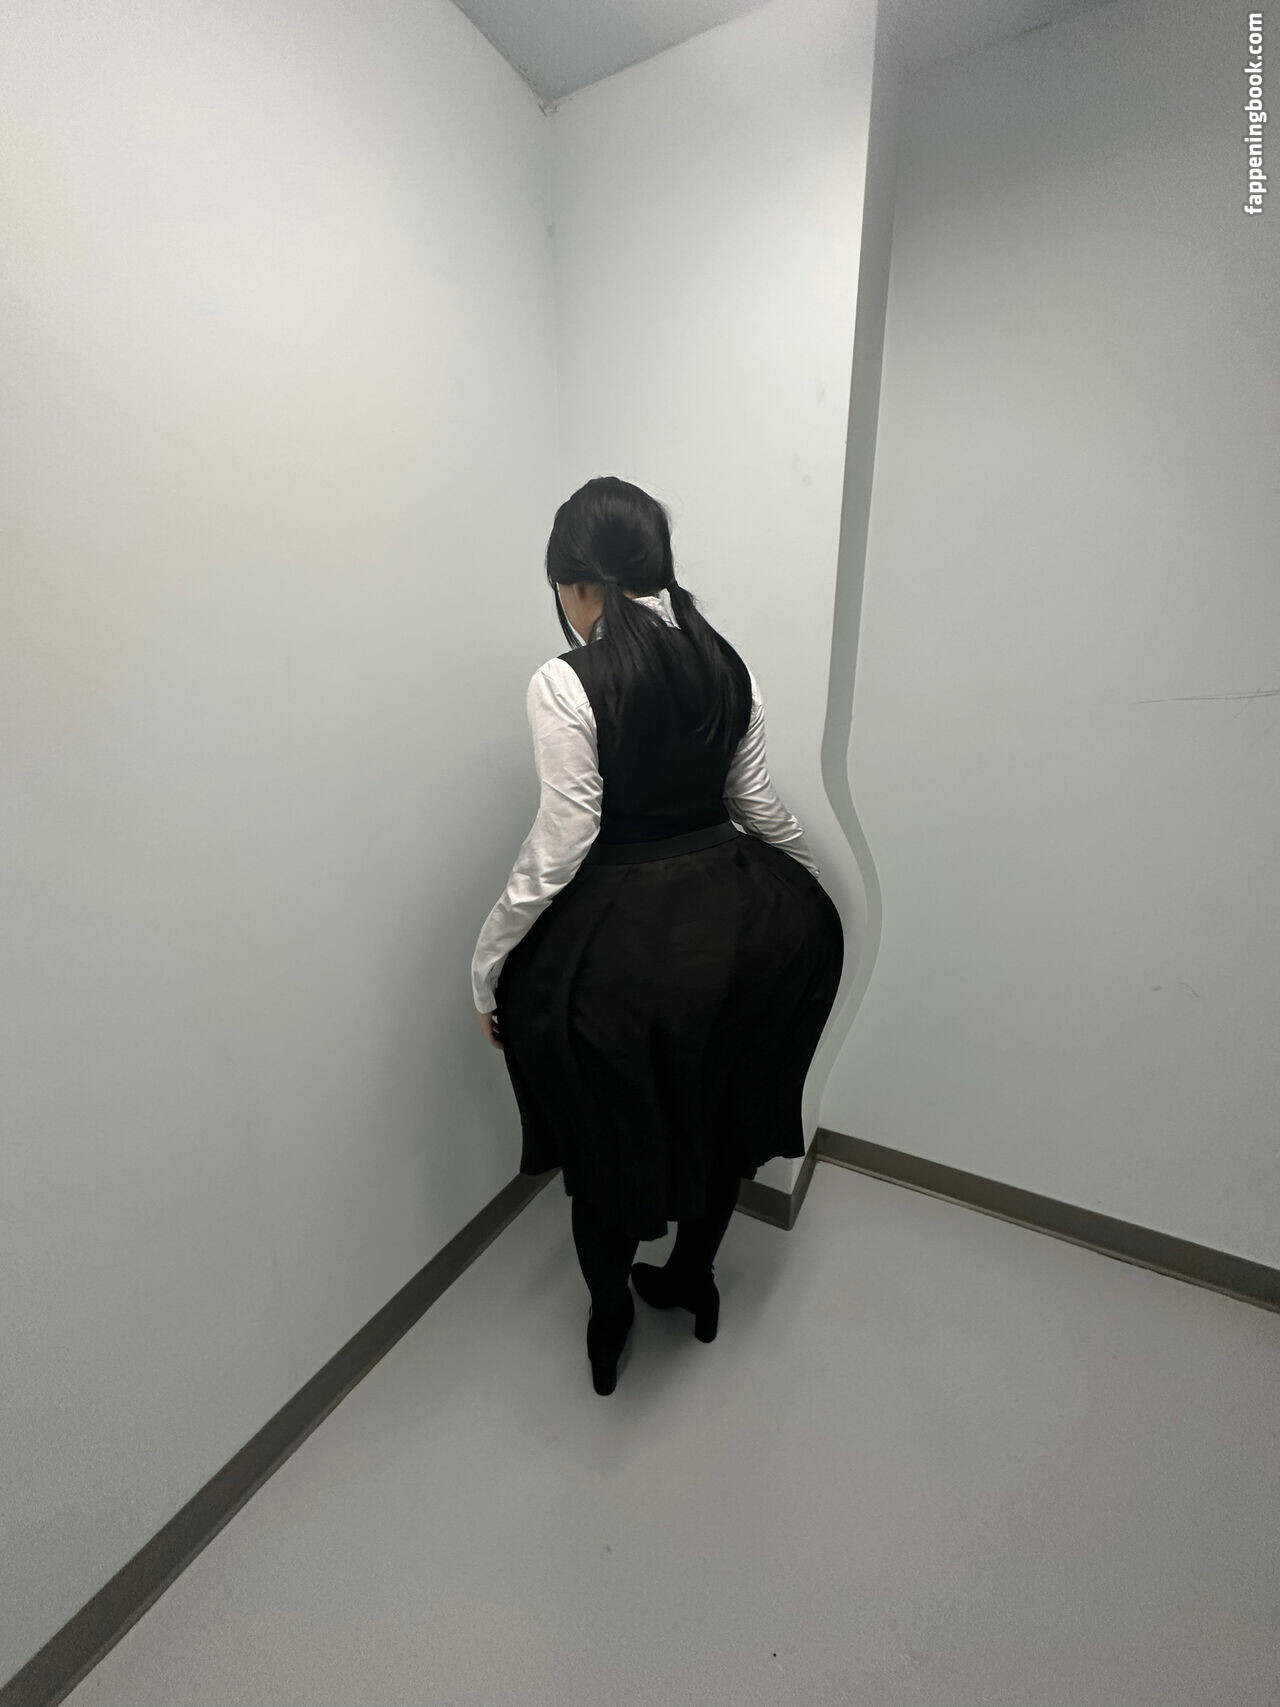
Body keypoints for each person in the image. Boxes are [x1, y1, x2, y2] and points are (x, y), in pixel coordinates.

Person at [470, 476, 844, 1394]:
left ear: (575, 583)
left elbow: (564, 840)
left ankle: (610, 1319)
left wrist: (487, 965)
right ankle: (692, 1280)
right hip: (747, 933)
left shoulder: (564, 679)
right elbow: (757, 804)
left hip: (626, 953)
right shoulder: (726, 662)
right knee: (717, 1116)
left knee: (607, 1147)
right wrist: (804, 884)